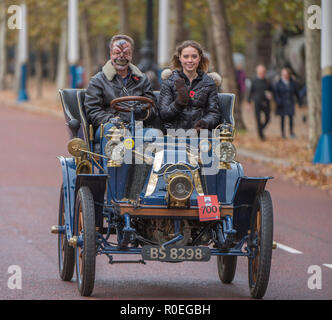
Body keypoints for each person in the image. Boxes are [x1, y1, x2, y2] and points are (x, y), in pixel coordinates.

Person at [84, 34, 156, 138]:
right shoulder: (98, 81)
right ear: (110, 54)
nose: (121, 56)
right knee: (114, 132)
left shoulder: (142, 80)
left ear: (131, 55)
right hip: (109, 127)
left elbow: (153, 109)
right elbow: (93, 111)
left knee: (154, 134)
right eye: (117, 52)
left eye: (126, 53)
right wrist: (113, 120)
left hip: (137, 127)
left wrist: (141, 112)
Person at [158, 40, 221, 132]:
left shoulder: (209, 83)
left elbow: (214, 113)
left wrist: (204, 123)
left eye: (194, 56)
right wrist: (178, 103)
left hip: (200, 134)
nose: (190, 60)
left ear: (199, 58)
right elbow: (163, 114)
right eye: (186, 56)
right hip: (174, 133)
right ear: (180, 58)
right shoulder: (169, 82)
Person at [247, 64, 274, 141]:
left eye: (263, 72)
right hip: (257, 102)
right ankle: (261, 135)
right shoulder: (254, 80)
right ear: (257, 72)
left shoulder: (267, 81)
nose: (262, 73)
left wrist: (270, 94)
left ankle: (260, 129)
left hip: (266, 102)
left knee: (268, 118)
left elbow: (272, 90)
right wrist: (249, 103)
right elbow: (250, 92)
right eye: (260, 72)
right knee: (258, 119)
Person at [275, 68, 302, 139]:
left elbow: (297, 93)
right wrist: (278, 101)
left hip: (290, 102)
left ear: (288, 75)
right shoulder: (279, 83)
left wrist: (299, 102)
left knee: (291, 117)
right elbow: (276, 93)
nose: (284, 75)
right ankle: (283, 133)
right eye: (283, 74)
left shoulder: (293, 82)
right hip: (282, 103)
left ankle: (291, 132)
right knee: (282, 118)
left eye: (285, 74)